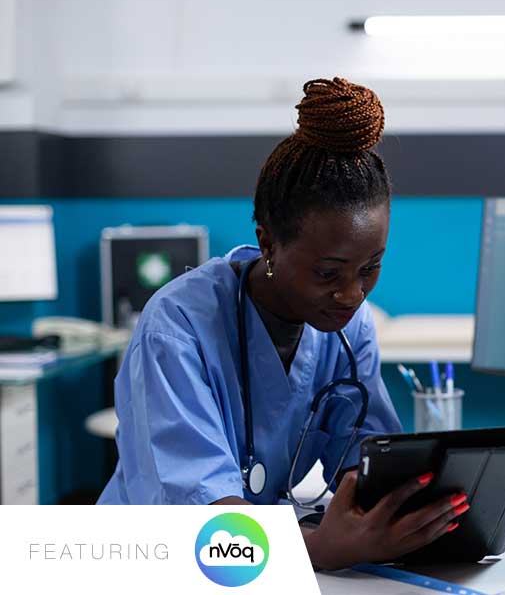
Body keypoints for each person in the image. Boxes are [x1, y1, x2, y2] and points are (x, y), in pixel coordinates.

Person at [98, 78, 470, 570]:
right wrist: (321, 549)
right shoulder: (177, 329)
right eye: (328, 273)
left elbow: (372, 462)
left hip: (264, 558)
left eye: (370, 268)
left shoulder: (348, 330)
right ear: (268, 244)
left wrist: (416, 512)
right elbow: (203, 526)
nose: (352, 295)